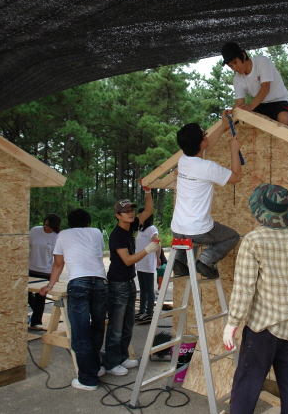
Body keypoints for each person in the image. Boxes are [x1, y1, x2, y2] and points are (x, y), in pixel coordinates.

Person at [223, 183, 288, 414]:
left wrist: (232, 323)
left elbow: (244, 287)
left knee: (246, 385)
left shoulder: (254, 240)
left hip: (263, 328)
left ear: (260, 210)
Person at [38, 209, 108, 391]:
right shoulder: (96, 232)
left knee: (80, 332)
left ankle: (88, 379)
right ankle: (96, 367)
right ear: (88, 222)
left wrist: (49, 286)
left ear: (69, 223)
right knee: (97, 328)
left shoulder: (63, 235)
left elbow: (58, 264)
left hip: (78, 284)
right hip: (100, 283)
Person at [171, 114, 242, 279]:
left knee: (190, 233)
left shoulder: (183, 160)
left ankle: (180, 260)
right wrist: (234, 151)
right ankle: (206, 260)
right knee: (232, 236)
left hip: (177, 229)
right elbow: (236, 177)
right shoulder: (207, 167)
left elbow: (205, 148)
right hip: (198, 231)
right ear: (201, 142)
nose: (207, 136)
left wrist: (223, 124)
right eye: (205, 134)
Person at [104, 184, 161, 377]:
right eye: (125, 211)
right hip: (117, 284)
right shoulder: (117, 235)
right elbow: (128, 260)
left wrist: (147, 191)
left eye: (131, 210)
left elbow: (149, 210)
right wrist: (147, 250)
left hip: (129, 282)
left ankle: (122, 358)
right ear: (117, 215)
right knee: (116, 326)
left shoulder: (131, 227)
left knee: (128, 325)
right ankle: (111, 363)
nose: (130, 213)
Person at [221, 42, 288, 126]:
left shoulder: (262, 62)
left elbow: (265, 88)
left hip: (279, 101)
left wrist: (250, 106)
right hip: (260, 105)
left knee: (284, 119)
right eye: (231, 66)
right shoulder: (237, 79)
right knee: (239, 123)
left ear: (243, 55)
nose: (234, 68)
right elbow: (239, 103)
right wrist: (229, 116)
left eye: (235, 62)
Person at [27, 213, 61, 330]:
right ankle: (35, 313)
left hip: (45, 271)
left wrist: (55, 276)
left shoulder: (57, 237)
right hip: (31, 268)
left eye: (50, 226)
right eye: (45, 225)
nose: (46, 228)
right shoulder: (35, 230)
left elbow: (58, 259)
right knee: (26, 294)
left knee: (40, 297)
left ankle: (36, 322)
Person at [134, 207, 160, 324]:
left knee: (149, 289)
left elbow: (157, 243)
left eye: (140, 214)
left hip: (148, 263)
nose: (138, 217)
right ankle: (141, 310)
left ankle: (149, 313)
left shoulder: (151, 229)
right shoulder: (140, 229)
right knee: (143, 289)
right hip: (140, 262)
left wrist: (158, 258)